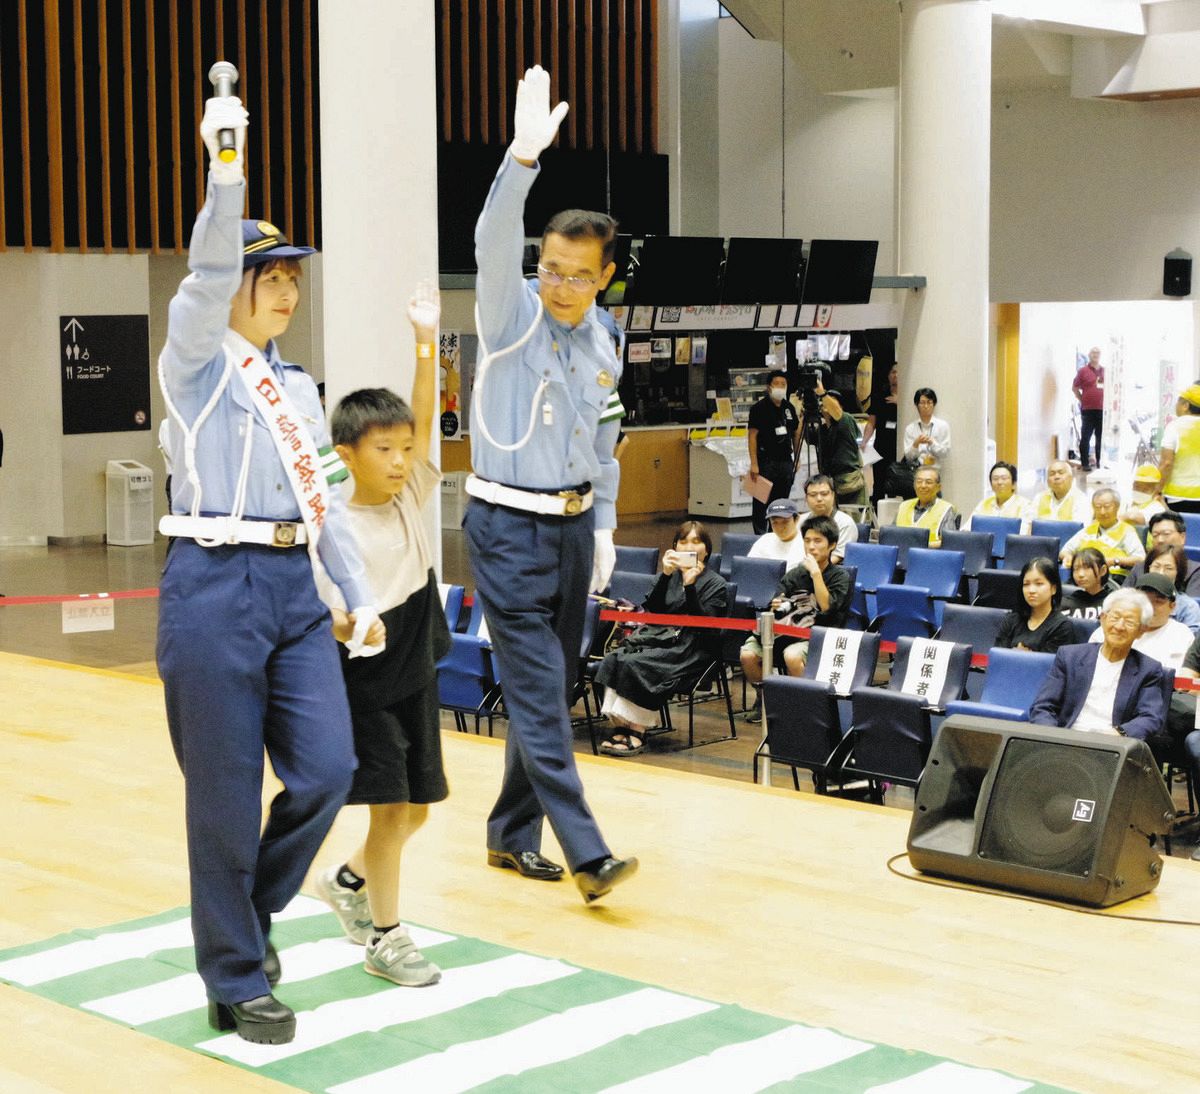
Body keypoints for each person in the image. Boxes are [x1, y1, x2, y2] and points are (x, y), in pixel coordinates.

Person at [156, 95, 379, 1045]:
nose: (285, 289)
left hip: (293, 592)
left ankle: (252, 913)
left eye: (291, 275)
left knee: (329, 769)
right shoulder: (196, 364)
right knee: (222, 795)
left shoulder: (298, 386)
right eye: (269, 276)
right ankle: (237, 975)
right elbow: (206, 277)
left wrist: (359, 594)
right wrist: (227, 175)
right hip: (210, 586)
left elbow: (322, 498)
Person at [464, 66, 636, 904]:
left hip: (570, 533)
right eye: (550, 267)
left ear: (603, 276)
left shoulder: (606, 341)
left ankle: (508, 835)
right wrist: (521, 162)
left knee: (551, 686)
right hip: (503, 526)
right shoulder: (508, 317)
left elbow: (606, 441)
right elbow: (493, 240)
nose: (558, 284)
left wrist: (602, 524)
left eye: (576, 273)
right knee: (538, 694)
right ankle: (588, 853)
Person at [313, 287, 450, 988]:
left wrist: (426, 341)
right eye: (385, 449)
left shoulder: (412, 492)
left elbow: (424, 416)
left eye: (404, 449)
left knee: (418, 811)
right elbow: (322, 618)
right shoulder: (333, 527)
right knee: (392, 807)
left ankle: (345, 881)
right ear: (347, 453)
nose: (402, 459)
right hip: (362, 677)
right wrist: (351, 622)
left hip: (417, 664)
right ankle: (388, 937)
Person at [594, 521, 728, 757]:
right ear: (674, 547)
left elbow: (707, 628)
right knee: (616, 658)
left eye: (696, 542)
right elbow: (653, 612)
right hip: (658, 637)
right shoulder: (667, 575)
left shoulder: (716, 583)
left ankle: (637, 730)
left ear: (707, 549)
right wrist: (666, 576)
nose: (689, 546)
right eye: (683, 541)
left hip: (692, 647)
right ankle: (620, 725)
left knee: (639, 664)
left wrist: (690, 587)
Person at [739, 515, 853, 722]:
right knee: (747, 655)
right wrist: (777, 605)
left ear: (832, 545)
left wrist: (816, 574)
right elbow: (778, 602)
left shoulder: (840, 577)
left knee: (792, 656)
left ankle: (802, 705)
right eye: (807, 541)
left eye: (818, 541)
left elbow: (827, 607)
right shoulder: (795, 574)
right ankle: (765, 699)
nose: (811, 547)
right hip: (787, 631)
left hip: (819, 636)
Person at [1029, 588, 1165, 740]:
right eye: (1115, 617)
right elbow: (1043, 707)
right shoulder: (1069, 657)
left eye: (1129, 622)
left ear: (1141, 631)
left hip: (1111, 745)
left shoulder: (1148, 670)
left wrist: (1119, 734)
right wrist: (1054, 738)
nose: (1119, 627)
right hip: (1066, 739)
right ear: (1103, 618)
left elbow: (1151, 718)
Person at [1089, 573, 1193, 671]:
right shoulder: (1112, 628)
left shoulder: (1181, 634)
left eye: (1158, 601)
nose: (1150, 607)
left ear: (1172, 607)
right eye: (1144, 600)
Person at [747, 370, 801, 534]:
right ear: (769, 387)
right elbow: (752, 436)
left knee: (781, 501)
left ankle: (775, 532)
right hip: (765, 462)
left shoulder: (788, 408)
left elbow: (796, 433)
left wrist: (796, 459)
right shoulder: (759, 408)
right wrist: (754, 463)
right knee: (760, 502)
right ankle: (759, 535)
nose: (780, 387)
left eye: (783, 385)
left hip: (785, 461)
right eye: (776, 384)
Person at [996, 557, 1074, 653]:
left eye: (1039, 583)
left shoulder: (1062, 626)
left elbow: (1049, 665)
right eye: (1026, 584)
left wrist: (1018, 656)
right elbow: (998, 657)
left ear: (1053, 588)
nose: (1031, 590)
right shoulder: (1010, 620)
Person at [1059, 488, 1145, 576]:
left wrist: (1114, 561)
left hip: (1112, 577)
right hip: (1083, 575)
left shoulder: (1126, 531)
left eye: (1107, 507)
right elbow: (1064, 551)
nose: (1102, 512)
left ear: (1117, 507)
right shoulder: (1088, 530)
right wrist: (1069, 558)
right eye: (1098, 507)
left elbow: (1140, 559)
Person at [1123, 511, 1200, 595]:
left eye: (1166, 534)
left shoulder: (1195, 571)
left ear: (1182, 537)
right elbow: (1121, 598)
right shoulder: (1140, 567)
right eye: (1155, 535)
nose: (1160, 540)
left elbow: (1194, 604)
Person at [893, 466, 958, 548]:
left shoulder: (946, 509)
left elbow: (949, 542)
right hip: (901, 556)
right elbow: (891, 535)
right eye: (919, 482)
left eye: (928, 482)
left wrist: (922, 546)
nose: (923, 486)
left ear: (938, 487)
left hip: (930, 557)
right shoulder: (903, 506)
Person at [797, 474, 857, 563]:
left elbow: (837, 557)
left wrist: (807, 569)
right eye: (813, 495)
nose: (819, 499)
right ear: (806, 498)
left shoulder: (845, 522)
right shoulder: (800, 521)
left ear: (833, 495)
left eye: (824, 494)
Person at [1159, 384, 1200, 514]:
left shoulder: (1175, 426)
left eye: (1178, 401)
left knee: (1180, 533)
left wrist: (1157, 490)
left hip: (1179, 497)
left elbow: (1166, 463)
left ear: (1186, 405)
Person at [1144, 543, 1200, 635]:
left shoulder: (1188, 608)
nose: (1160, 573)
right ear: (1148, 568)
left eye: (1168, 568)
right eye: (1156, 566)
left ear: (1178, 572)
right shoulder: (1133, 599)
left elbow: (1190, 643)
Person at [863, 362, 899, 505]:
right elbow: (871, 422)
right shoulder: (880, 397)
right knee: (879, 483)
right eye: (893, 372)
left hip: (899, 447)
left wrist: (900, 402)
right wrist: (864, 441)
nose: (895, 375)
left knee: (897, 483)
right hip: (882, 446)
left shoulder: (908, 398)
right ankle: (876, 517)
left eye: (898, 372)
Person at [964, 461, 1031, 532]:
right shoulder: (984, 504)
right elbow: (967, 527)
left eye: (1004, 478)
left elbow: (1024, 534)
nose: (999, 482)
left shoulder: (1025, 505)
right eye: (995, 479)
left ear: (1013, 484)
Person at [1060, 547, 1120, 620]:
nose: (1080, 574)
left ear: (1103, 570)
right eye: (1076, 569)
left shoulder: (1115, 602)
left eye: (1087, 568)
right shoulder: (1066, 602)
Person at [901, 387, 951, 472]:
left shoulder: (943, 426)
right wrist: (915, 444)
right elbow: (908, 457)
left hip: (935, 473)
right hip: (915, 473)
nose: (926, 406)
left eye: (929, 402)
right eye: (922, 403)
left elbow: (945, 453)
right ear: (917, 405)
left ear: (934, 404)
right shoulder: (910, 428)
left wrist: (932, 443)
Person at [1072, 346, 1105, 471]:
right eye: (1093, 353)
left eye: (1098, 352)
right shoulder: (1083, 371)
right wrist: (1082, 399)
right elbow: (1074, 388)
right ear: (1089, 355)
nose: (1095, 355)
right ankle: (1085, 463)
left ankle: (1099, 463)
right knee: (1086, 437)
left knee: (1100, 438)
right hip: (1088, 410)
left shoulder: (1104, 371)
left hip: (1102, 410)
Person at [747, 497, 805, 565]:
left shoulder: (806, 543)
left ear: (796, 519)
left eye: (785, 522)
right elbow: (749, 567)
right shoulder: (765, 540)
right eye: (775, 523)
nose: (780, 528)